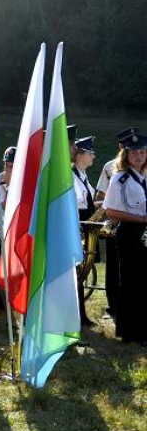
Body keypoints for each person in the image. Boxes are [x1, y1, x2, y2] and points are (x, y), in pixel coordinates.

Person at [103, 132, 147, 344]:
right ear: (126, 154)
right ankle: (129, 332)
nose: (139, 156)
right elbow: (110, 210)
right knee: (131, 281)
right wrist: (141, 219)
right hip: (130, 232)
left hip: (143, 232)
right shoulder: (120, 178)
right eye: (134, 152)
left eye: (142, 152)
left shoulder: (143, 176)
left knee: (143, 281)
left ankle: (141, 328)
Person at [97, 127, 140, 317]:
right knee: (115, 268)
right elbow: (101, 196)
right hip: (117, 223)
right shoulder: (110, 167)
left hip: (139, 226)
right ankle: (114, 305)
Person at [72, 135, 98, 327]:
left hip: (85, 225)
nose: (94, 156)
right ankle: (77, 314)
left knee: (81, 273)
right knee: (76, 273)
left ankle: (81, 313)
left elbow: (86, 201)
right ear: (80, 155)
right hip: (78, 227)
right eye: (91, 153)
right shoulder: (72, 176)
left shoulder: (82, 176)